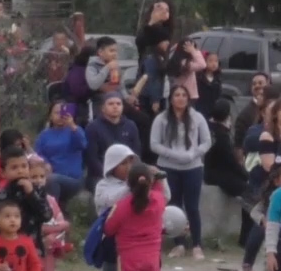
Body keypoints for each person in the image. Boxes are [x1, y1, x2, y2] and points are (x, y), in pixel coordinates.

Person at [150, 85, 212, 259]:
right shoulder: (161, 119)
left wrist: (194, 153)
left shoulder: (197, 117)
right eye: (177, 95)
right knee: (173, 206)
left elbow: (206, 141)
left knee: (192, 206)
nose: (180, 98)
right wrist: (172, 154)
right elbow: (154, 144)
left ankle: (197, 244)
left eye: (184, 95)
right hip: (169, 167)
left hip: (192, 166)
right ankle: (179, 244)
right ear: (171, 98)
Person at [33, 103, 88, 209]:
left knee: (52, 179)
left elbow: (83, 144)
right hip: (50, 175)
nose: (60, 116)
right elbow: (38, 154)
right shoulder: (44, 135)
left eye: (63, 113)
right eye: (57, 113)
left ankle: (51, 213)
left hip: (73, 180)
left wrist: (72, 126)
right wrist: (45, 163)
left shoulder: (75, 131)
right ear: (50, 116)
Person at [86, 92, 142, 194]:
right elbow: (92, 158)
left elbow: (136, 153)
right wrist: (109, 175)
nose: (115, 106)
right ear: (103, 108)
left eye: (118, 104)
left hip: (127, 174)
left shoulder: (131, 126)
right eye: (111, 104)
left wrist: (128, 174)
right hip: (101, 175)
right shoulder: (93, 128)